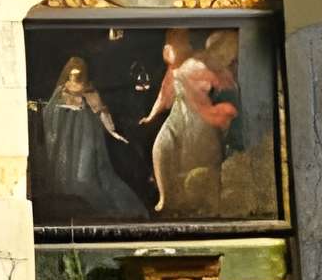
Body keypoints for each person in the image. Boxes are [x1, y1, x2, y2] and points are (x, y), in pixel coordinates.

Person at [34, 54, 148, 220]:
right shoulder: (61, 91)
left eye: (78, 76)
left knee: (85, 175)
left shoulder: (90, 93)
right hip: (65, 137)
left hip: (86, 135)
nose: (74, 80)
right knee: (65, 176)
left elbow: (102, 113)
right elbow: (49, 114)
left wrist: (113, 132)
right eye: (71, 76)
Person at [146, 29, 236, 217]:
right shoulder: (174, 70)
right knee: (161, 147)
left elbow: (220, 80)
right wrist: (152, 116)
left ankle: (200, 204)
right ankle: (166, 197)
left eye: (183, 43)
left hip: (199, 117)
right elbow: (164, 95)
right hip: (177, 116)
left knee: (199, 160)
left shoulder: (199, 62)